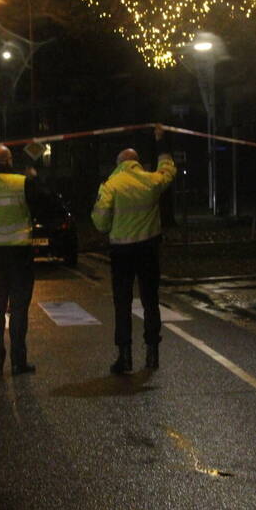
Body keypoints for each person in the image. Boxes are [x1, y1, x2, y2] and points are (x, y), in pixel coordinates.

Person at [92, 125, 177, 374]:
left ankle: (125, 357)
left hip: (121, 254)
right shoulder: (151, 181)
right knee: (150, 301)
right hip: (149, 250)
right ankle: (152, 354)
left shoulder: (110, 185)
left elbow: (99, 221)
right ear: (137, 162)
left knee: (122, 304)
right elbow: (168, 170)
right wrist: (161, 143)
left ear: (119, 163)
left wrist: (110, 227)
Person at [0, 144, 46, 378]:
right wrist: (34, 177)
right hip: (19, 254)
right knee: (18, 309)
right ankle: (18, 362)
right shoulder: (22, 182)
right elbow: (43, 204)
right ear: (9, 160)